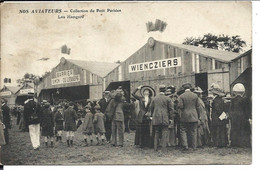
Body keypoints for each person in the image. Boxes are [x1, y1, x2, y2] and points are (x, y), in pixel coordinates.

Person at [151, 85, 174, 152]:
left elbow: (151, 108)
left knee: (157, 132)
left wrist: (153, 116)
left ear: (159, 90)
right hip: (165, 118)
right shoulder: (168, 98)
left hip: (156, 118)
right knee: (164, 133)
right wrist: (171, 118)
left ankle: (155, 148)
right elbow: (171, 110)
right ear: (165, 90)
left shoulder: (154, 98)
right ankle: (163, 148)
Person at [178, 83, 200, 150]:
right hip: (194, 115)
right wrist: (198, 116)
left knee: (183, 130)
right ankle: (194, 146)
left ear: (184, 89)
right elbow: (198, 106)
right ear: (190, 88)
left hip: (185, 116)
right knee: (193, 131)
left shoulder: (181, 96)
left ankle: (185, 146)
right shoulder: (195, 96)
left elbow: (180, 106)